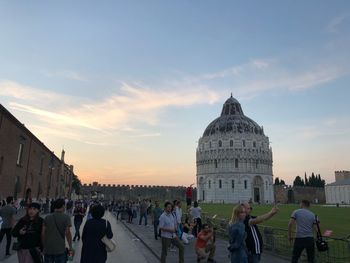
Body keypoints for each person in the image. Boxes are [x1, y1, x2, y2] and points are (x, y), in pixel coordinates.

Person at [42, 198, 73, 263]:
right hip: (60, 249)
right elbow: (67, 233)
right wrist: (70, 246)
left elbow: (43, 233)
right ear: (63, 206)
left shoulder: (47, 217)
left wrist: (44, 246)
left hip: (48, 249)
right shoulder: (66, 217)